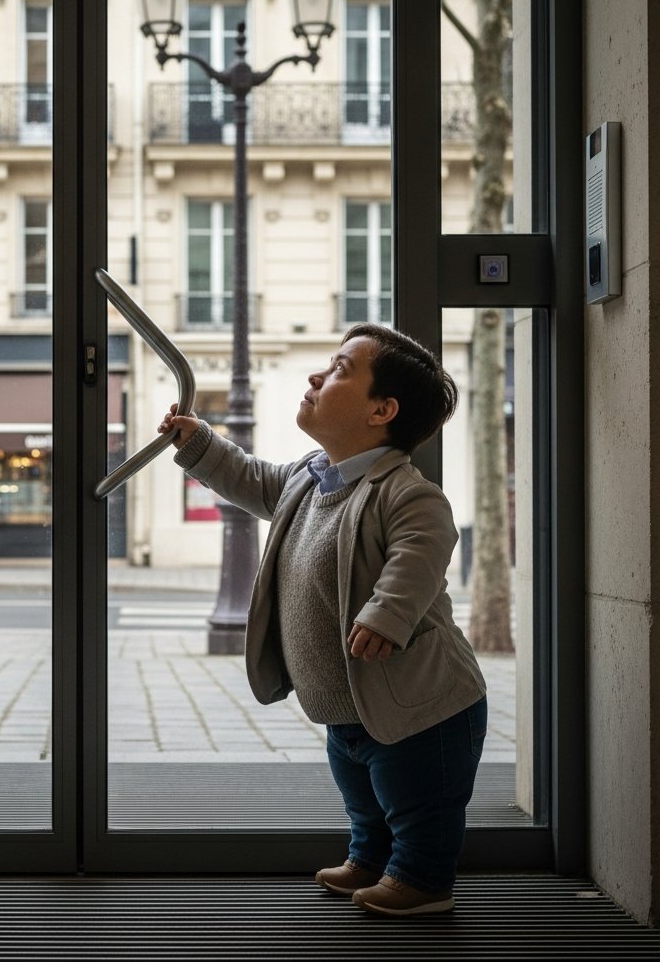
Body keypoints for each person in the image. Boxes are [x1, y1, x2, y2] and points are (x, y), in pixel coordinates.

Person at [158, 323, 487, 917]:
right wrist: (200, 443)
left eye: (339, 369)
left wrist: (388, 613)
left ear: (381, 410)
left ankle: (423, 877)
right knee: (363, 794)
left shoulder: (405, 492)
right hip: (349, 702)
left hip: (421, 704)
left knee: (420, 800)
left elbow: (424, 548)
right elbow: (252, 479)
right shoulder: (311, 479)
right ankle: (370, 855)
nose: (316, 376)